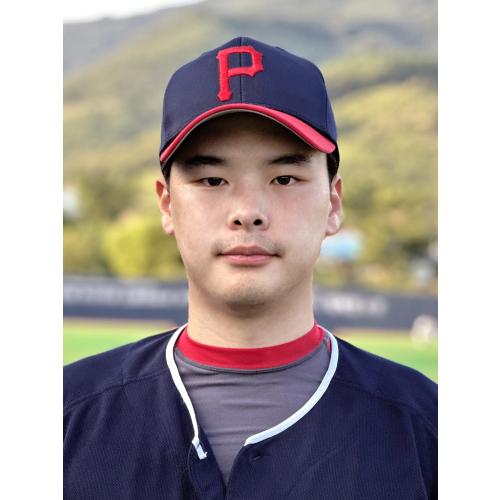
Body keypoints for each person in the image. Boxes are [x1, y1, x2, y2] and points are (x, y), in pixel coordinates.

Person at [64, 37, 437, 499]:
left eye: (284, 178)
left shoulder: (432, 430)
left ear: (333, 202)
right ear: (167, 204)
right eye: (212, 179)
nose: (247, 212)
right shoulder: (63, 416)